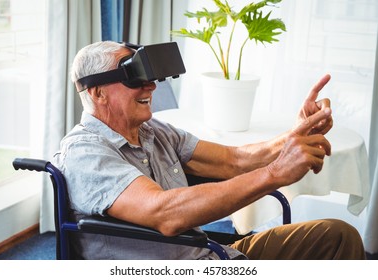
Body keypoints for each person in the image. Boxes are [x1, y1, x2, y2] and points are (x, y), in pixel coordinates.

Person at [53, 41, 366, 260]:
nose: (151, 87)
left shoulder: (155, 131)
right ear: (97, 93)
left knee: (337, 236)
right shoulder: (86, 152)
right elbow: (165, 212)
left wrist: (295, 134)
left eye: (148, 78)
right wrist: (275, 174)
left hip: (210, 253)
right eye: (135, 77)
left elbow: (233, 160)